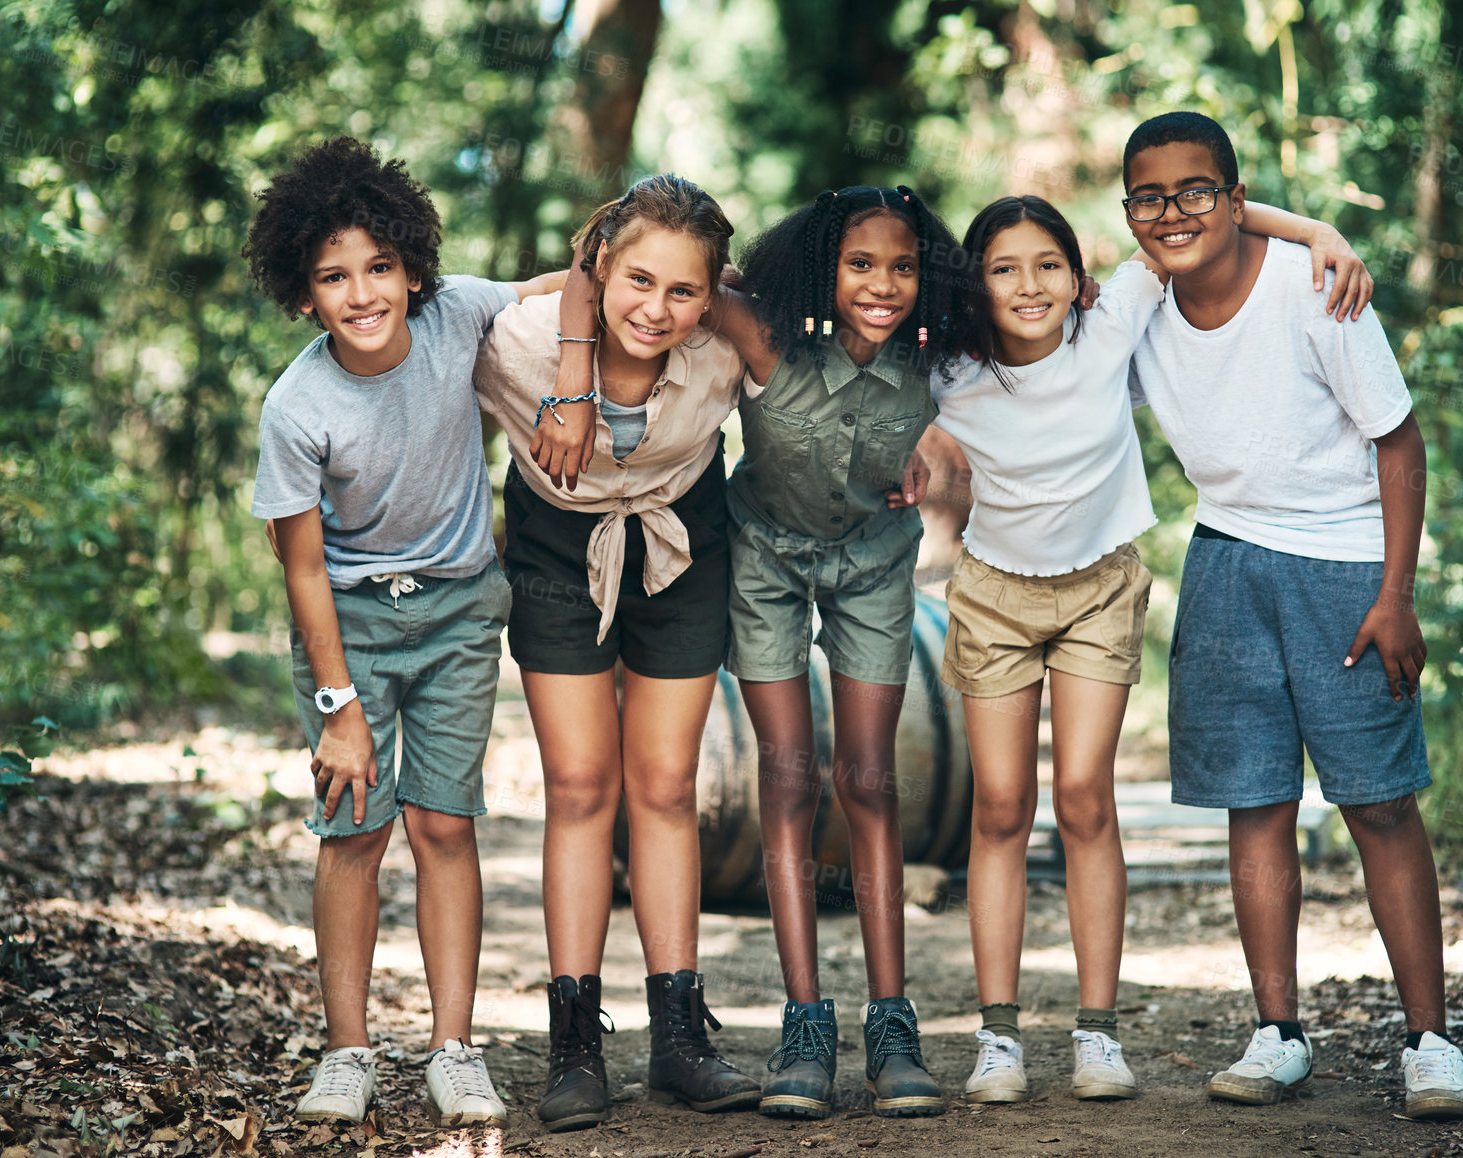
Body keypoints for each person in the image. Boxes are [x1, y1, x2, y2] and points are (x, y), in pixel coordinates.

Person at [934, 194, 1374, 1106]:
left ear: (1077, 275)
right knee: (1002, 806)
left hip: (1099, 586)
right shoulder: (947, 367)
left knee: (1087, 796)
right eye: (1005, 267)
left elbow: (1197, 221)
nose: (1029, 284)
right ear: (975, 283)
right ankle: (1000, 1039)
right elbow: (846, 324)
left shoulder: (1114, 319)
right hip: (992, 595)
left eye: (1048, 264)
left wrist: (1318, 233)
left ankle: (1098, 1035)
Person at [1123, 111, 1463, 1120]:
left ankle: (1430, 1041)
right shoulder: (1141, 300)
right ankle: (1277, 1032)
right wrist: (1308, 217)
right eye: (1150, 197)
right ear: (1130, 213)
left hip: (1345, 564)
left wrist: (1394, 598)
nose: (1173, 212)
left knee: (1377, 801)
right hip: (1226, 556)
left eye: (1199, 191)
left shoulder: (1314, 289)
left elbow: (1399, 445)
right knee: (1255, 798)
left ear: (1236, 199)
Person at [243, 136, 563, 1127]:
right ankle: (346, 1053)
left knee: (443, 825)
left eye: (379, 267)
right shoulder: (298, 406)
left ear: (413, 268)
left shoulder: (458, 309)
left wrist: (662, 268)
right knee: (356, 831)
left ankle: (453, 1049)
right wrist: (338, 705)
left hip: (462, 610)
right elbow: (299, 566)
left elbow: (558, 289)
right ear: (303, 295)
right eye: (334, 277)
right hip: (349, 628)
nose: (362, 292)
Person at [471, 174, 760, 1130]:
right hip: (558, 546)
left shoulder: (721, 345)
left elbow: (817, 341)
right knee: (584, 785)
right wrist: (569, 364)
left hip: (684, 539)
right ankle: (575, 1046)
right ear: (600, 267)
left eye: (684, 291)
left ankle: (679, 1038)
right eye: (638, 281)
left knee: (667, 785)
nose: (658, 308)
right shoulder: (517, 343)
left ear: (712, 293)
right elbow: (410, 336)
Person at [697, 185, 963, 1120]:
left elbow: (1040, 302)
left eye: (901, 265)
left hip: (874, 564)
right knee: (786, 775)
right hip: (764, 557)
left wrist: (1084, 286)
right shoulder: (766, 336)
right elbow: (659, 264)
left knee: (870, 778)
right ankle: (805, 1020)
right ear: (824, 269)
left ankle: (892, 1023)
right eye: (860, 264)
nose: (882, 284)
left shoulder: (935, 352)